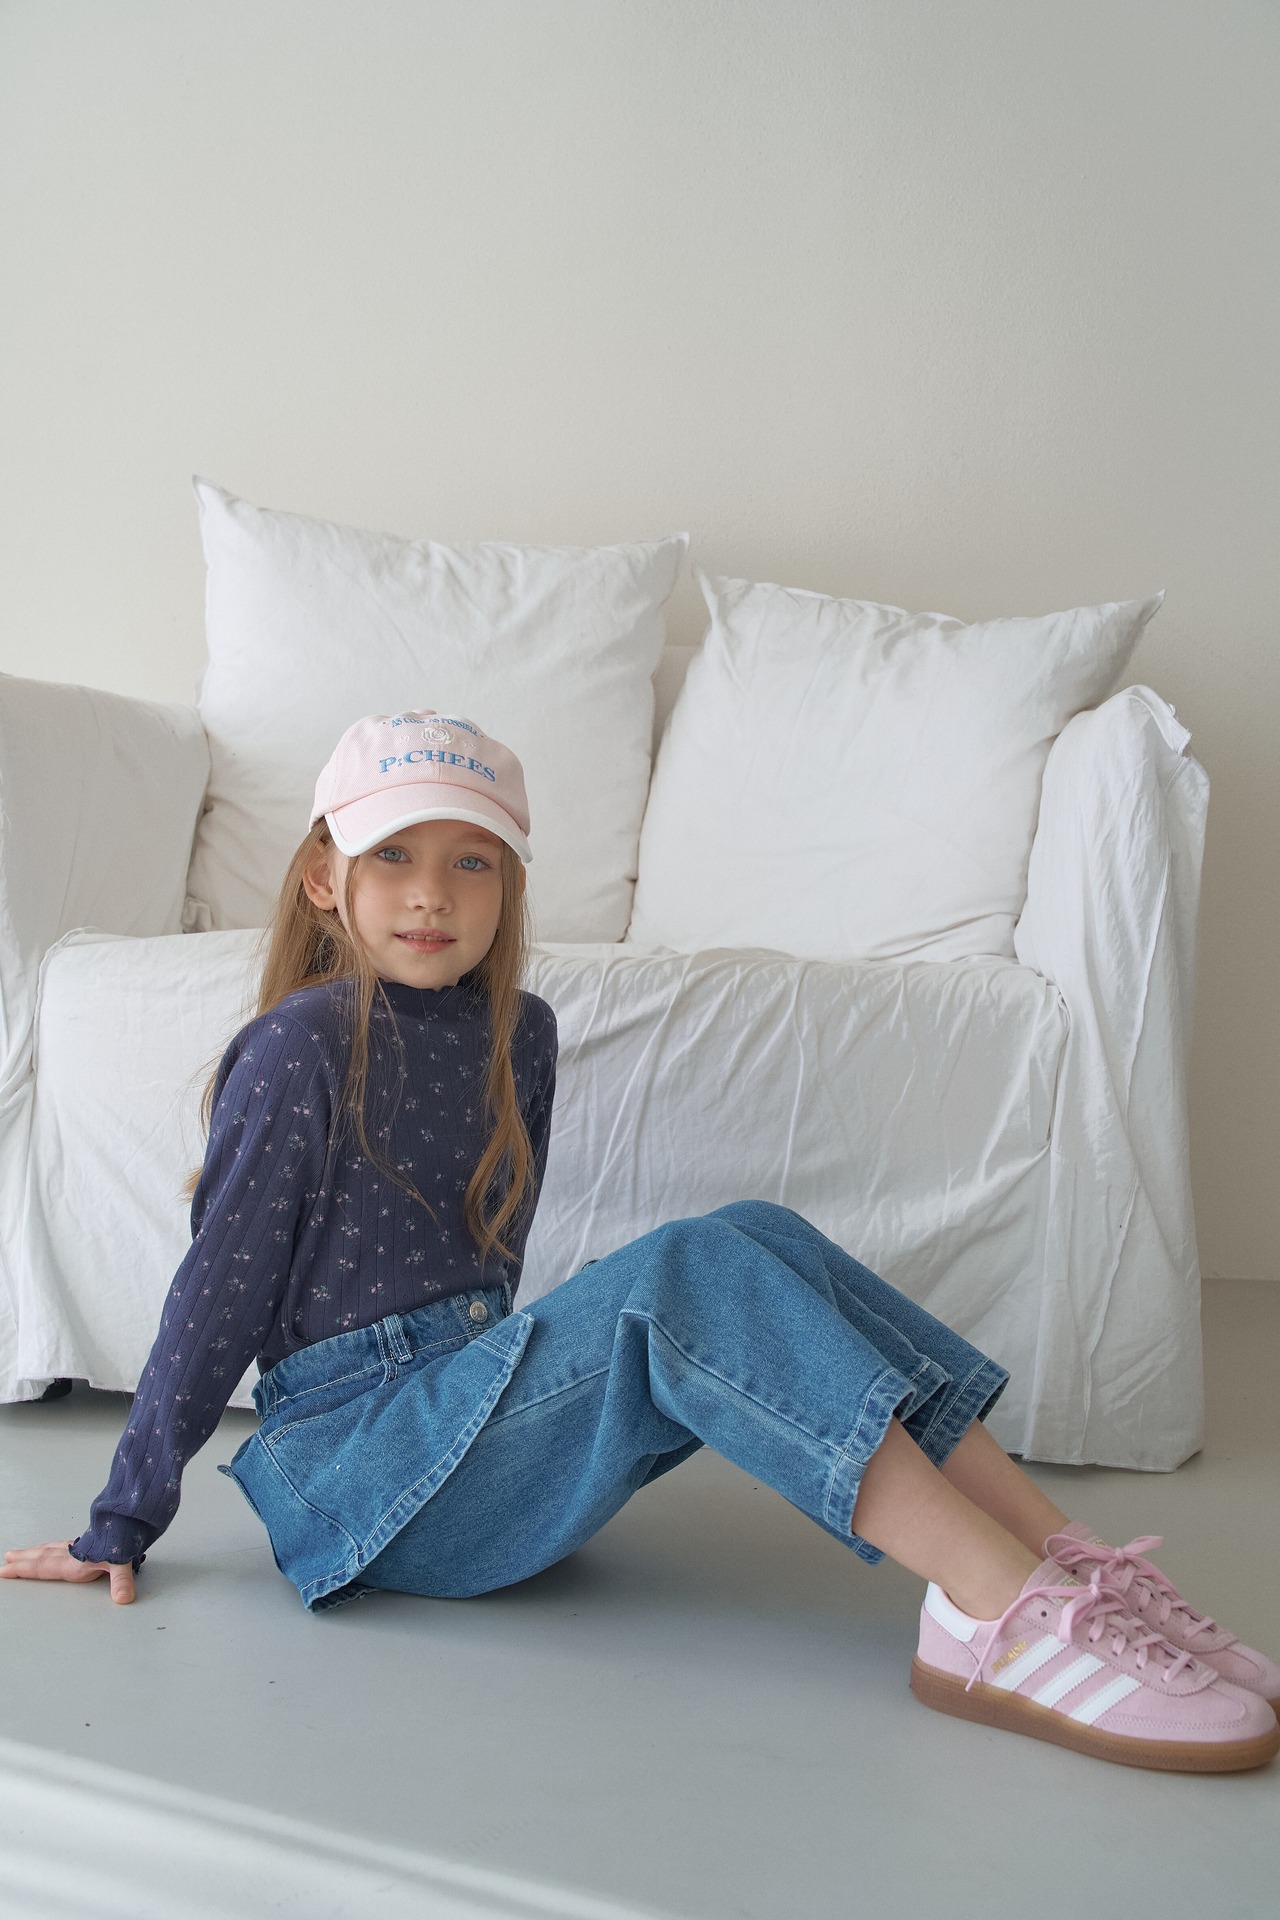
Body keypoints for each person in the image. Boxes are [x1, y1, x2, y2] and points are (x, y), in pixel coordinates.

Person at [5, 709, 1277, 1776]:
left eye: (472, 862)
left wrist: (541, 1392)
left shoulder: (521, 1033)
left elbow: (492, 1264)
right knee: (688, 1273)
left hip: (464, 1423)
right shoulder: (296, 1047)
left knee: (754, 1233)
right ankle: (995, 1616)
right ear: (324, 879)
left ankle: (1069, 1570)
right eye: (393, 856)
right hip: (356, 1477)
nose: (433, 894)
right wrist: (124, 1518)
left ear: (509, 885)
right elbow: (215, 1294)